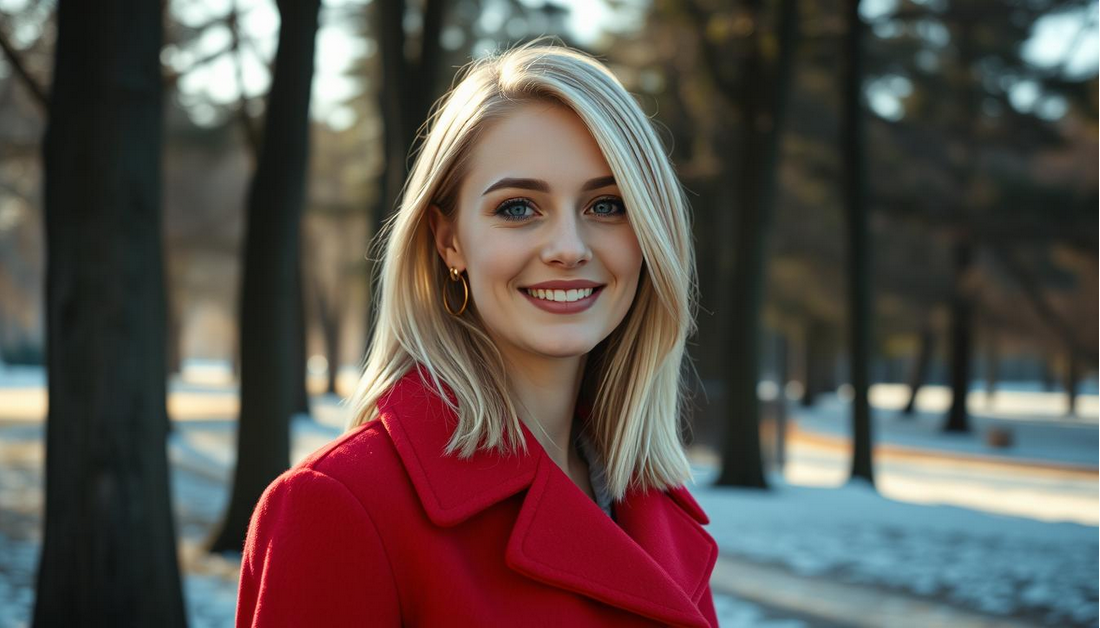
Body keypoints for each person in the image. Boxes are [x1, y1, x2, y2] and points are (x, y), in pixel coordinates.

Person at [235, 39, 719, 627]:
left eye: (607, 205)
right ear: (449, 241)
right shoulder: (340, 505)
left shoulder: (651, 505)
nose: (568, 248)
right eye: (518, 208)